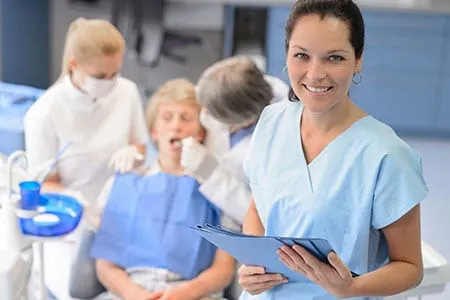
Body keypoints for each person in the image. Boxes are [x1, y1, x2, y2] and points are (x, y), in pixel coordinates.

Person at [237, 0, 427, 299]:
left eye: (334, 58)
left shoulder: (386, 155)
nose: (315, 73)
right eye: (302, 55)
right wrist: (253, 265)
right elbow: (257, 207)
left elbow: (410, 267)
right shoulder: (272, 121)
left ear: (358, 59)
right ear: (287, 55)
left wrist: (352, 287)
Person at [23, 18, 149, 300]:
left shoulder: (125, 91)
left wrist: (134, 154)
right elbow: (46, 184)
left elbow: (140, 148)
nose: (110, 83)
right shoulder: (44, 113)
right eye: (100, 76)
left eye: (115, 73)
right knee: (74, 291)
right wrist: (81, 204)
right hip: (72, 224)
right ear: (73, 65)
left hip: (123, 212)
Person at [90, 78, 235, 300]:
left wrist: (184, 293)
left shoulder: (217, 189)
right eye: (167, 118)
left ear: (201, 132)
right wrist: (134, 294)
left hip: (193, 293)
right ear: (154, 131)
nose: (176, 125)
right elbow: (106, 263)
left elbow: (223, 269)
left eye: (186, 118)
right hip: (130, 291)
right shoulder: (125, 185)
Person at [181, 56, 289, 226]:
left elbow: (260, 216)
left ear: (244, 122)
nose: (204, 115)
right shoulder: (249, 88)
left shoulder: (277, 150)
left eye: (210, 112)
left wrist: (210, 173)